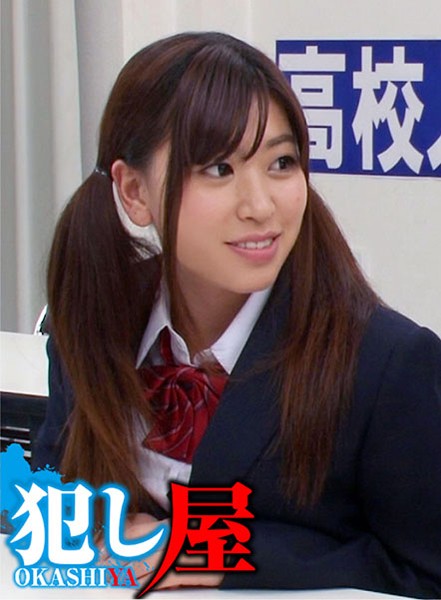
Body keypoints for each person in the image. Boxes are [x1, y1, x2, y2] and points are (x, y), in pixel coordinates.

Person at [33, 31, 441, 598]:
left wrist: (209, 546)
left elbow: (425, 572)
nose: (261, 205)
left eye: (281, 163)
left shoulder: (387, 364)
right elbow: (55, 489)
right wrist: (105, 528)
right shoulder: (95, 317)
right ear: (134, 191)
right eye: (219, 169)